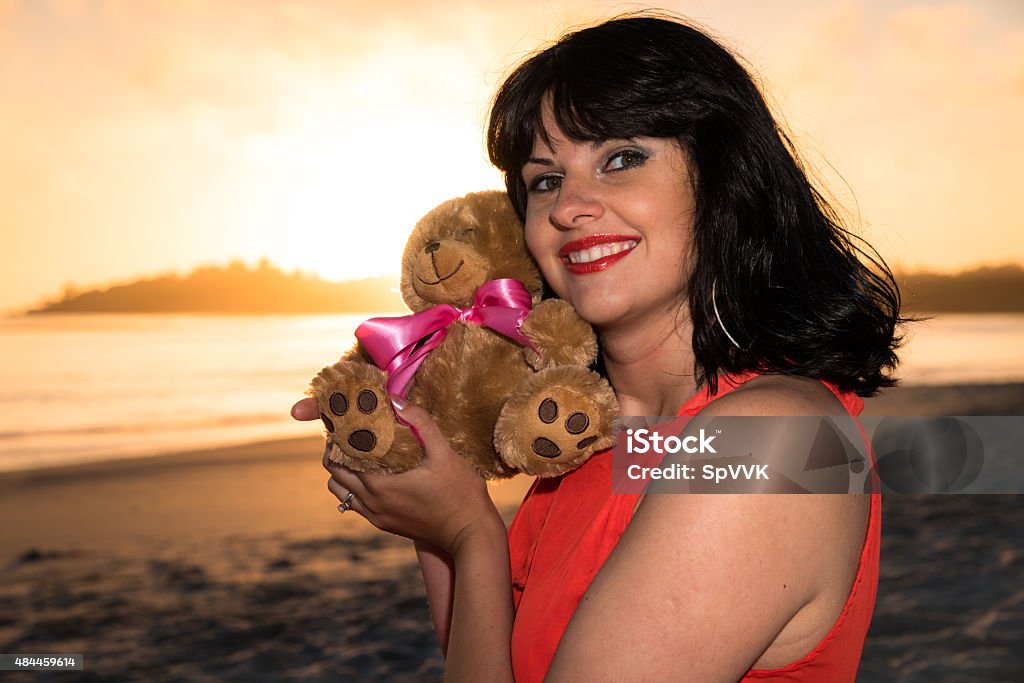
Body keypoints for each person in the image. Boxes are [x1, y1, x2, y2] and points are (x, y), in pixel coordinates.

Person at [292, 12, 903, 682]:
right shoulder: (598, 440)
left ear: (724, 181)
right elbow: (493, 658)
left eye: (620, 159)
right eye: (545, 179)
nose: (569, 206)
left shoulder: (773, 441)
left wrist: (471, 535)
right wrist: (433, 485)